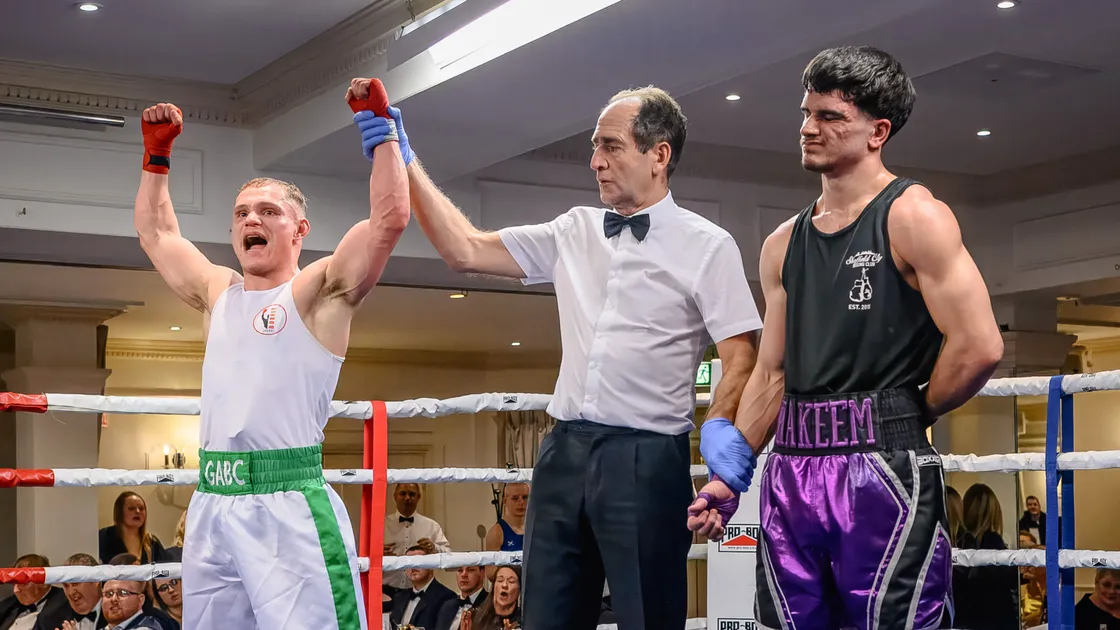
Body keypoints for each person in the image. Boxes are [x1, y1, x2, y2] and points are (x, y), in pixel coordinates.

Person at [358, 85, 762, 629]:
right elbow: (465, 249)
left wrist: (719, 443)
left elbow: (741, 355)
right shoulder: (575, 228)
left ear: (659, 155)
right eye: (594, 147)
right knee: (545, 617)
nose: (595, 161)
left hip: (647, 459)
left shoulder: (708, 245)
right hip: (564, 451)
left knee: (649, 617)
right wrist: (403, 155)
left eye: (611, 147)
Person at [689, 46, 1004, 630]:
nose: (810, 128)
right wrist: (728, 477)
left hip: (882, 471)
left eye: (831, 116)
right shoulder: (783, 243)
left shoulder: (914, 217)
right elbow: (773, 373)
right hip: (791, 469)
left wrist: (906, 409)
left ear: (878, 131)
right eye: (807, 113)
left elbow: (979, 343)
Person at [133, 76, 410, 630]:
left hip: (289, 503)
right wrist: (156, 158)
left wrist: (379, 133)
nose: (250, 220)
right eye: (240, 213)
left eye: (266, 211)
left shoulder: (316, 292)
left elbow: (388, 220)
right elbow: (157, 234)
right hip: (214, 497)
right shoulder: (218, 294)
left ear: (299, 229)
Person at [99, 492, 167, 565]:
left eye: (141, 509)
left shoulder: (152, 541)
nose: (138, 512)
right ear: (120, 512)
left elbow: (166, 569)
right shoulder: (104, 536)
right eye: (131, 508)